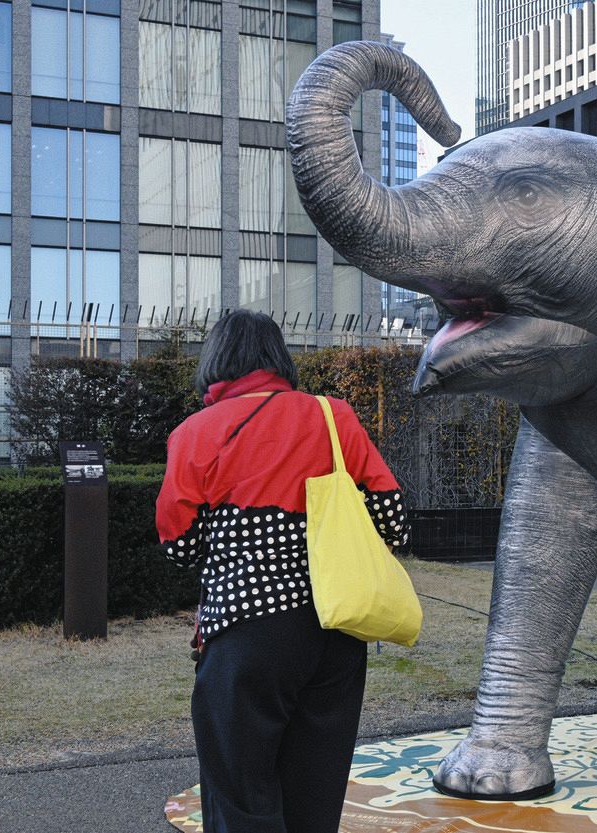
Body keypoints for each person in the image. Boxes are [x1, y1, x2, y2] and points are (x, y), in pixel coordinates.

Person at [156, 309, 408, 833]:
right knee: (315, 790)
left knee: (241, 793)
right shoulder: (333, 416)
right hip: (337, 628)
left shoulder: (197, 432)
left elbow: (179, 546)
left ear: (216, 360)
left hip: (246, 631)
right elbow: (393, 519)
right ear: (279, 358)